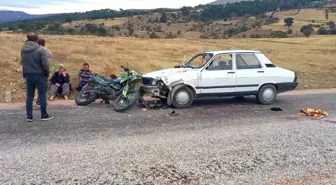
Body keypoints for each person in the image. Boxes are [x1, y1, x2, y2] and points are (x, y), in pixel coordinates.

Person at [21, 32, 54, 122]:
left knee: (29, 96)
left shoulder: (23, 49)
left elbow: (23, 62)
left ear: (27, 38)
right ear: (37, 39)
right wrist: (47, 74)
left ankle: (29, 117)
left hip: (28, 74)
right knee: (42, 95)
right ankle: (44, 115)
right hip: (40, 75)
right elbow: (45, 65)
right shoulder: (40, 50)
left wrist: (25, 73)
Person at [35, 38, 53, 106]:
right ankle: (41, 101)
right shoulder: (44, 49)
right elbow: (51, 55)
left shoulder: (34, 49)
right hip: (43, 70)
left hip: (35, 70)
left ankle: (38, 100)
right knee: (44, 86)